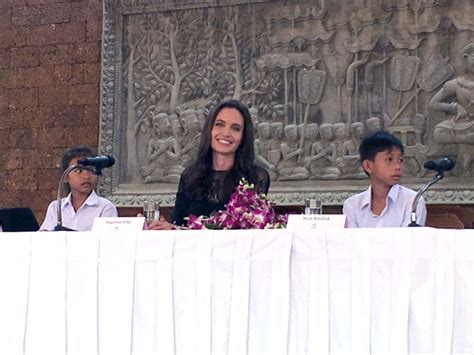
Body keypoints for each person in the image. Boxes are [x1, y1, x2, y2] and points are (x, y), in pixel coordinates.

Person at [148, 99, 270, 229]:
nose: (226, 133)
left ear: (243, 137)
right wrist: (164, 226)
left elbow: (249, 229)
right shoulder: (189, 176)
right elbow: (178, 224)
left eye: (235, 128)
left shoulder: (256, 177)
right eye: (219, 125)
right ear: (209, 130)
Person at [343, 131, 427, 227]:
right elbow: (352, 241)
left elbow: (408, 240)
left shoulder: (413, 201)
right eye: (389, 159)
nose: (398, 166)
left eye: (400, 160)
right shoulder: (352, 205)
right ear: (368, 166)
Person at [40, 146, 118, 231]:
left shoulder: (105, 207)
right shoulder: (56, 207)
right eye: (78, 171)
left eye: (91, 170)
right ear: (66, 177)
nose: (86, 176)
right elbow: (44, 237)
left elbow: (105, 241)